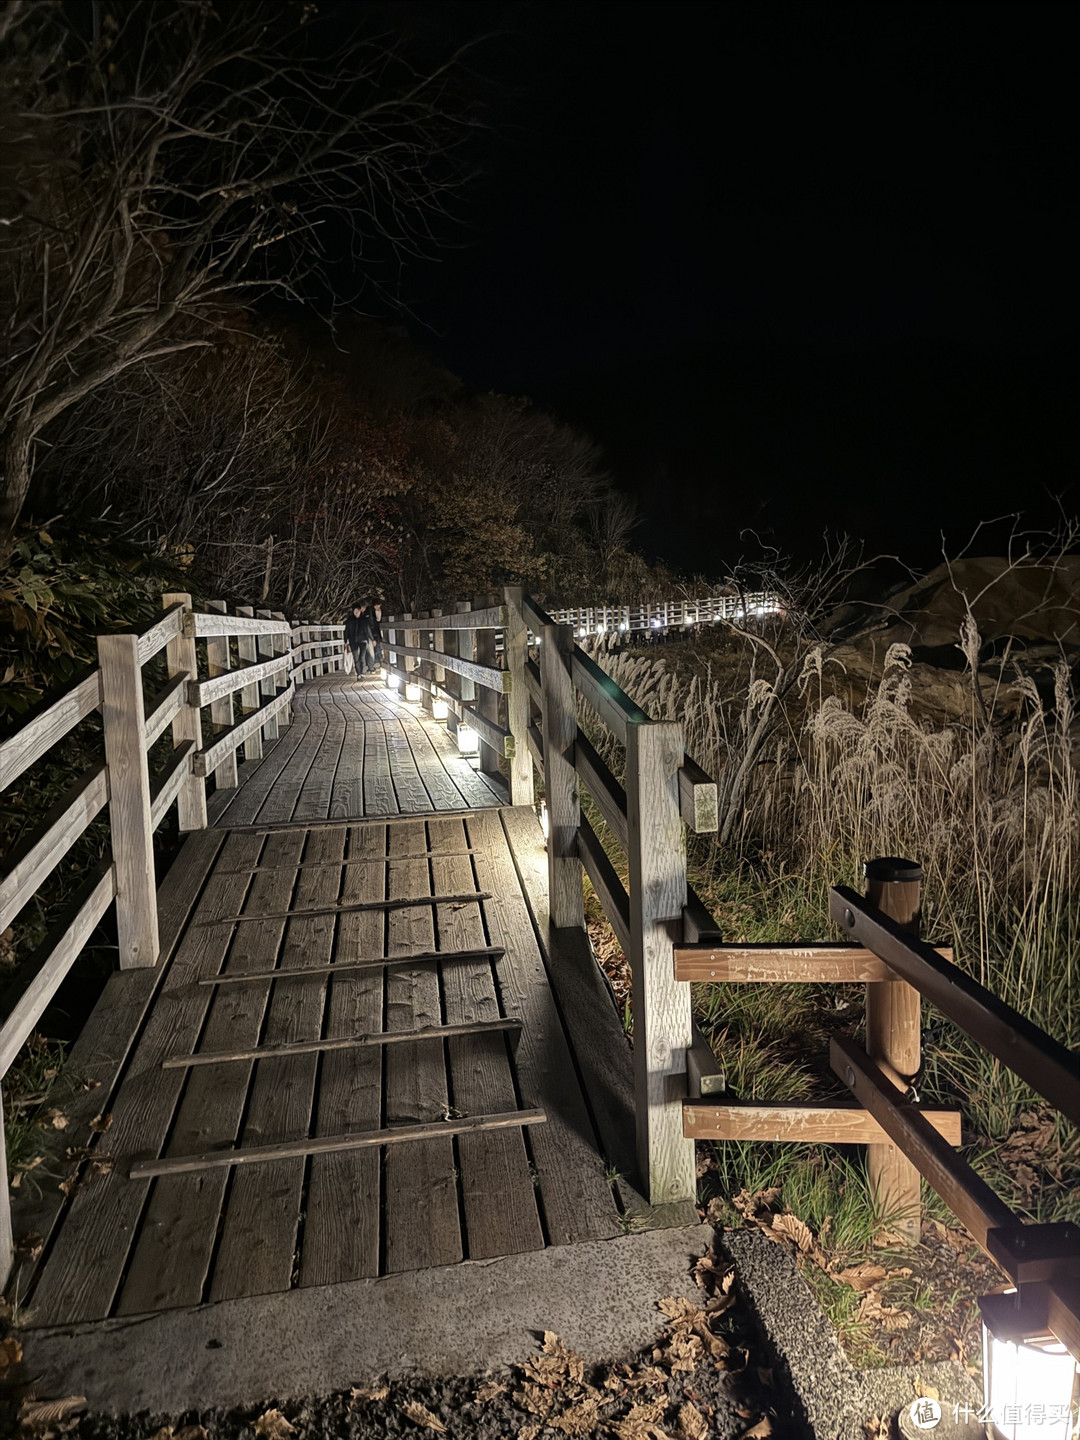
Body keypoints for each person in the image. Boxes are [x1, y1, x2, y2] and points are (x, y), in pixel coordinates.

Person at [344, 603, 370, 677]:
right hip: (353, 641)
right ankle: (359, 673)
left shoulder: (364, 619)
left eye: (357, 610)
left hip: (363, 640)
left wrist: (368, 638)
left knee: (362, 656)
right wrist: (345, 641)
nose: (356, 612)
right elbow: (346, 631)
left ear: (360, 611)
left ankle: (362, 672)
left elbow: (367, 629)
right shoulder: (350, 620)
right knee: (356, 658)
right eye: (355, 611)